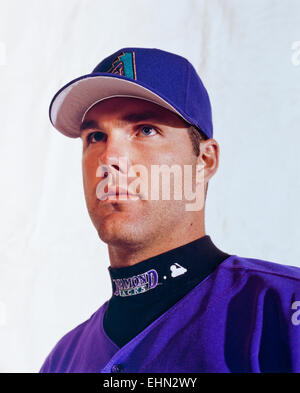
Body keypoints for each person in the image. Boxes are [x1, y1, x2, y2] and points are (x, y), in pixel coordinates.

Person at [40, 47, 300, 373]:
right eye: (95, 136)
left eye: (145, 130)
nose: (109, 158)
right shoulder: (62, 362)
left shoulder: (283, 311)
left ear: (204, 160)